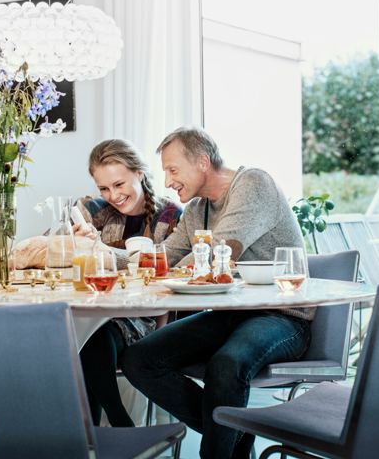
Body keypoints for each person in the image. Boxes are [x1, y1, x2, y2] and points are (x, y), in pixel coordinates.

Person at [121, 126, 313, 459]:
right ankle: (238, 434)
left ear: (202, 161)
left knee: (226, 366)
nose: (166, 181)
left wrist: (179, 266)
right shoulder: (197, 210)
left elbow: (219, 253)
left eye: (172, 170)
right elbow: (163, 256)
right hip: (230, 314)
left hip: (282, 316)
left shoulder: (254, 184)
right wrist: (98, 253)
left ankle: (222, 446)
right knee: (140, 360)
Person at [75, 139, 182, 428]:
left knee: (92, 334)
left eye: (119, 184)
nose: (113, 195)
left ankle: (108, 431)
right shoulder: (92, 211)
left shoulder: (169, 217)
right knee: (90, 330)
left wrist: (161, 338)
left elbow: (168, 279)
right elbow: (50, 251)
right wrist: (73, 241)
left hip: (140, 317)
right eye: (104, 188)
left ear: (140, 174)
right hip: (95, 313)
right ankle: (113, 430)